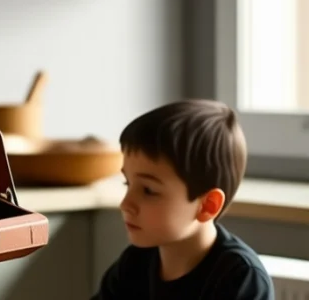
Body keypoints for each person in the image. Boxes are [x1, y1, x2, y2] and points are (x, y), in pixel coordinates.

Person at [91, 99, 274, 300]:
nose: (125, 204)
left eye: (148, 190)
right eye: (127, 184)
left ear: (207, 205)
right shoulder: (134, 264)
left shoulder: (241, 279)